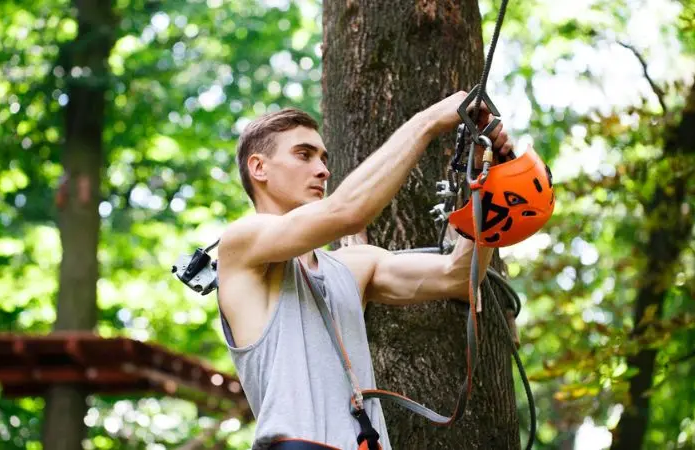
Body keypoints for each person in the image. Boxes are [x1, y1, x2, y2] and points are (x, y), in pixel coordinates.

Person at [215, 91, 514, 450]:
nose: (323, 170)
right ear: (259, 167)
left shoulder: (353, 265)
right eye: (304, 154)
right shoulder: (241, 243)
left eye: (324, 158)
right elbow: (347, 212)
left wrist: (490, 179)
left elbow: (459, 274)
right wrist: (428, 121)